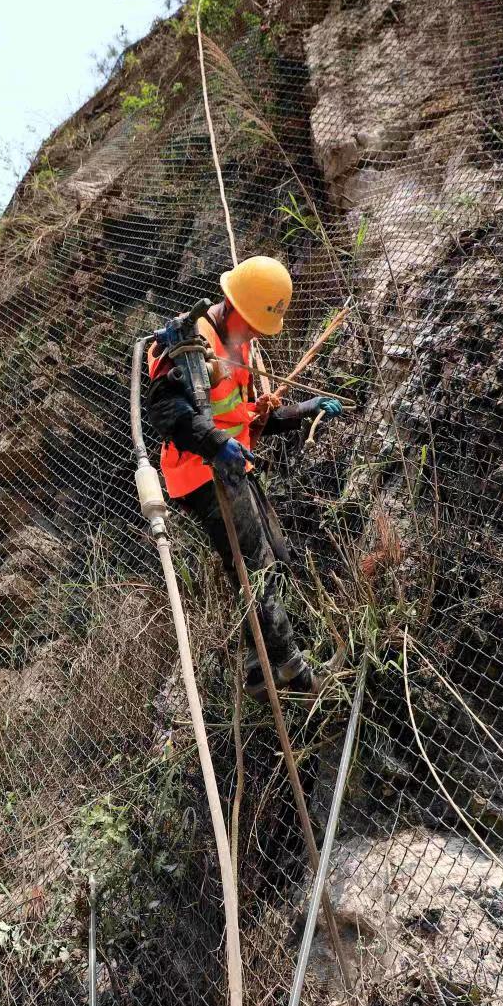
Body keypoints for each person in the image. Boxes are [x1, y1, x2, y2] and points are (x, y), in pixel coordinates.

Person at [146, 256, 342, 697]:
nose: (254, 333)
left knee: (277, 555)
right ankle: (293, 670)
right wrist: (215, 445)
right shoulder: (190, 342)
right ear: (232, 305)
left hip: (233, 464)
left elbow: (247, 419)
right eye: (251, 323)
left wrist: (301, 412)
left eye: (260, 327)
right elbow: (165, 411)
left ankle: (257, 666)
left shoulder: (242, 345)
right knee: (257, 566)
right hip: (202, 473)